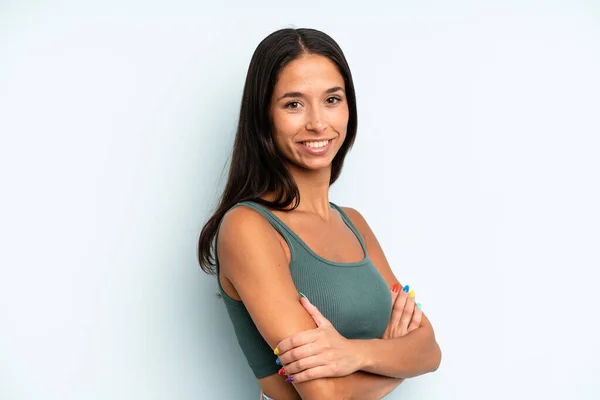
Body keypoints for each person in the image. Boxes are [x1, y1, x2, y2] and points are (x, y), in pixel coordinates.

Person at [198, 27, 442, 400]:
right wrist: (396, 368)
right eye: (293, 104)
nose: (317, 122)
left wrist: (352, 354)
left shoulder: (354, 223)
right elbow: (324, 394)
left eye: (332, 99)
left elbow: (429, 350)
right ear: (264, 116)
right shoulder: (248, 227)